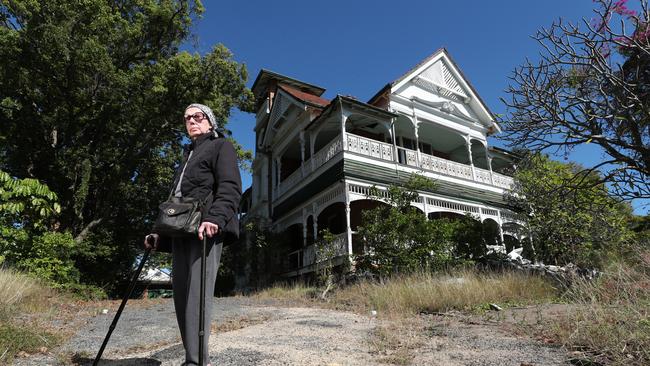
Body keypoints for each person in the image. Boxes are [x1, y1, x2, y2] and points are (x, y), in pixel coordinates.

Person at [143, 103, 242, 366]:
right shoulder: (187, 155)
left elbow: (231, 187)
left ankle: (197, 361)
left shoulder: (222, 146)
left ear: (210, 122)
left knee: (197, 297)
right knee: (181, 296)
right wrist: (157, 233)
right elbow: (174, 200)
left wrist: (215, 218)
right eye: (187, 118)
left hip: (204, 229)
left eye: (198, 116)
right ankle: (192, 357)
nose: (192, 121)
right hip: (179, 231)